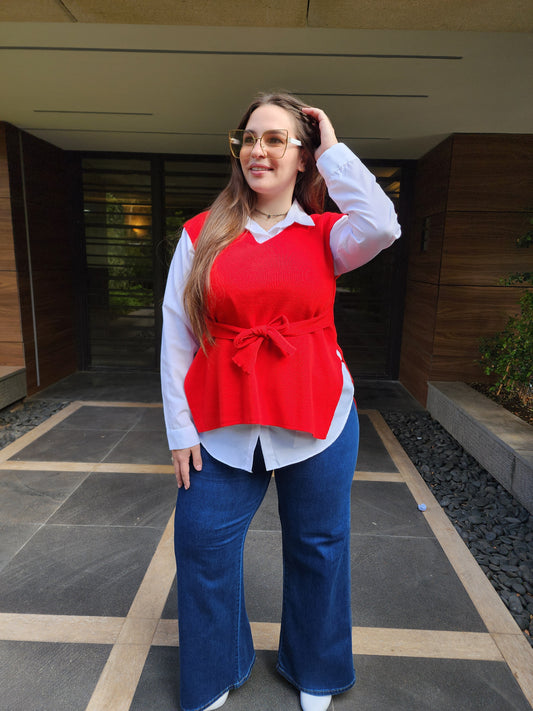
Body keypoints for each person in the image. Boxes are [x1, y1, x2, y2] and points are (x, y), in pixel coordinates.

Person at [161, 92, 401, 711]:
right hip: (221, 425)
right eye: (249, 138)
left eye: (275, 139)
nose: (258, 150)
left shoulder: (327, 236)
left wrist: (335, 151)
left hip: (319, 420)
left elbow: (383, 224)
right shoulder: (200, 235)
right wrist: (180, 432)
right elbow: (177, 337)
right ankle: (216, 667)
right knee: (201, 542)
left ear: (302, 158)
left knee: (319, 545)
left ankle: (315, 667)